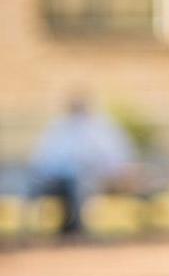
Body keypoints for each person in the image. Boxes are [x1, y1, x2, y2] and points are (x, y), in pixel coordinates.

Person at [28, 93, 135, 238]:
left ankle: (76, 231)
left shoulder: (101, 127)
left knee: (80, 184)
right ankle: (39, 227)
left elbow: (116, 156)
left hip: (94, 177)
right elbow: (45, 158)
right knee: (42, 183)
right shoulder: (59, 127)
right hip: (59, 178)